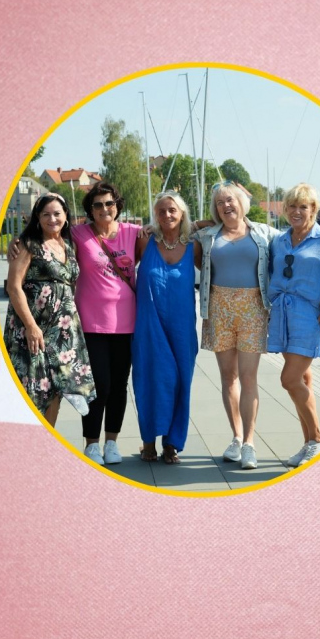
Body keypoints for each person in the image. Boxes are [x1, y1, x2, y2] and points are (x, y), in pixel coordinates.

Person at [194, 181, 284, 470]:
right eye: (220, 202)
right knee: (228, 377)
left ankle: (249, 443)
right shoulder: (207, 235)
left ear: (242, 203)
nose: (226, 205)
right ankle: (235, 436)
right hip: (219, 308)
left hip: (253, 309)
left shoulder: (264, 232)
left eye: (230, 200)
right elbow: (174, 231)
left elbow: (296, 238)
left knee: (248, 377)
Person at [266, 182, 320, 467]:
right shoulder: (279, 241)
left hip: (310, 318)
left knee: (289, 380)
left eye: (303, 206)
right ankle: (309, 443)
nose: (296, 211)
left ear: (313, 209)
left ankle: (319, 439)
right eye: (292, 206)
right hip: (283, 317)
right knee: (303, 380)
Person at [2, 194, 95, 424]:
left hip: (62, 332)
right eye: (46, 214)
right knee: (33, 388)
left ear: (66, 215)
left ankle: (48, 436)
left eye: (57, 214)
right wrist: (31, 326)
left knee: (56, 388)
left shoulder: (69, 245)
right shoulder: (28, 244)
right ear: (37, 217)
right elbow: (13, 287)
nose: (52, 219)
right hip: (33, 329)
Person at [68, 182, 143, 466]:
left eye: (109, 203)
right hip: (91, 323)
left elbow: (175, 230)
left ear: (117, 206)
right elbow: (45, 233)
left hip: (126, 322)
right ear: (90, 209)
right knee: (98, 384)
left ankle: (112, 442)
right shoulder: (78, 234)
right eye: (97, 205)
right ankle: (91, 444)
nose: (104, 209)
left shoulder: (134, 233)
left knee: (119, 385)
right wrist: (19, 243)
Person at [132, 192, 199, 464]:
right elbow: (119, 259)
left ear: (182, 213)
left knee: (181, 381)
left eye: (172, 210)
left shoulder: (194, 245)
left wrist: (201, 224)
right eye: (161, 211)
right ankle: (148, 441)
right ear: (155, 216)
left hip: (183, 327)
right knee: (149, 378)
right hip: (149, 324)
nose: (167, 215)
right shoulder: (144, 241)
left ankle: (171, 444)